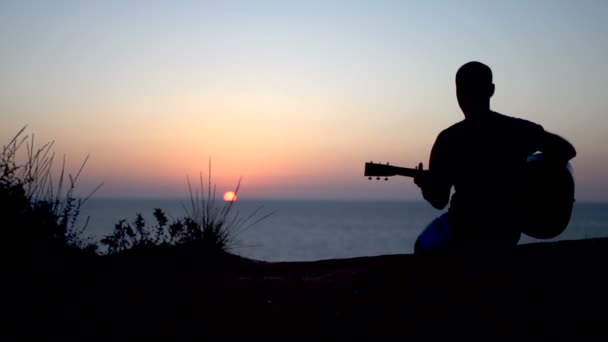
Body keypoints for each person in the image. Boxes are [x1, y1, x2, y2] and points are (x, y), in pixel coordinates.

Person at [413, 61, 576, 254]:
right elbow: (566, 150)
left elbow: (439, 200)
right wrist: (535, 181)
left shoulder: (449, 139)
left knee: (422, 247)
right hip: (506, 232)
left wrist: (425, 185)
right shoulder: (518, 130)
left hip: (464, 230)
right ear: (491, 90)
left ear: (458, 94)